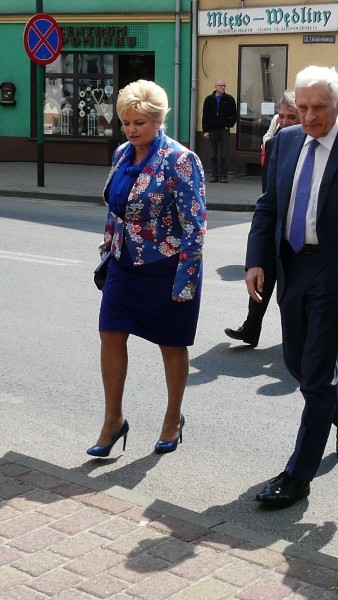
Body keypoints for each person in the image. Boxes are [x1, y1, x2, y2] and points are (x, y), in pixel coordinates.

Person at [245, 66, 338, 507]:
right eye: (301, 108)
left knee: (314, 373)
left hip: (336, 272)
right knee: (299, 365)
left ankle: (297, 475)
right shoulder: (285, 142)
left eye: (318, 108)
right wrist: (256, 259)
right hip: (292, 266)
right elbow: (269, 205)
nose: (308, 117)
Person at [88, 80, 206, 458]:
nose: (131, 130)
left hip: (167, 266)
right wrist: (108, 248)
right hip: (125, 263)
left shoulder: (180, 160)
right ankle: (113, 420)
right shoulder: (123, 154)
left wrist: (185, 280)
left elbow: (194, 224)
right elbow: (115, 209)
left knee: (171, 345)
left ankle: (173, 418)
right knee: (110, 334)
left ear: (158, 121)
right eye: (126, 122)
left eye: (139, 122)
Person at [225, 93, 299, 347]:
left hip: (301, 230)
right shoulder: (275, 142)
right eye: (282, 116)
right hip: (276, 221)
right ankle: (251, 327)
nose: (287, 122)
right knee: (261, 273)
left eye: (293, 116)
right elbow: (268, 191)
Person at [201, 80, 237, 183]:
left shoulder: (229, 99)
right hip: (212, 130)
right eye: (221, 85)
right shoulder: (209, 99)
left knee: (224, 154)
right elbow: (205, 115)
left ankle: (223, 176)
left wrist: (228, 125)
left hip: (224, 130)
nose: (223, 87)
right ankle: (214, 175)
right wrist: (206, 130)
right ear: (216, 87)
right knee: (213, 154)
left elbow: (234, 114)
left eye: (224, 85)